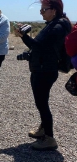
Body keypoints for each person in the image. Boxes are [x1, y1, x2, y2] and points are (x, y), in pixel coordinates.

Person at [14, 0, 72, 151]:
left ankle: (50, 138)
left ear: (53, 10)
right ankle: (43, 129)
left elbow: (40, 47)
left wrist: (23, 36)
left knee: (42, 103)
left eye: (43, 10)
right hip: (42, 69)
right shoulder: (53, 24)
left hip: (45, 70)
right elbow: (40, 46)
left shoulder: (58, 27)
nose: (41, 13)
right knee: (41, 102)